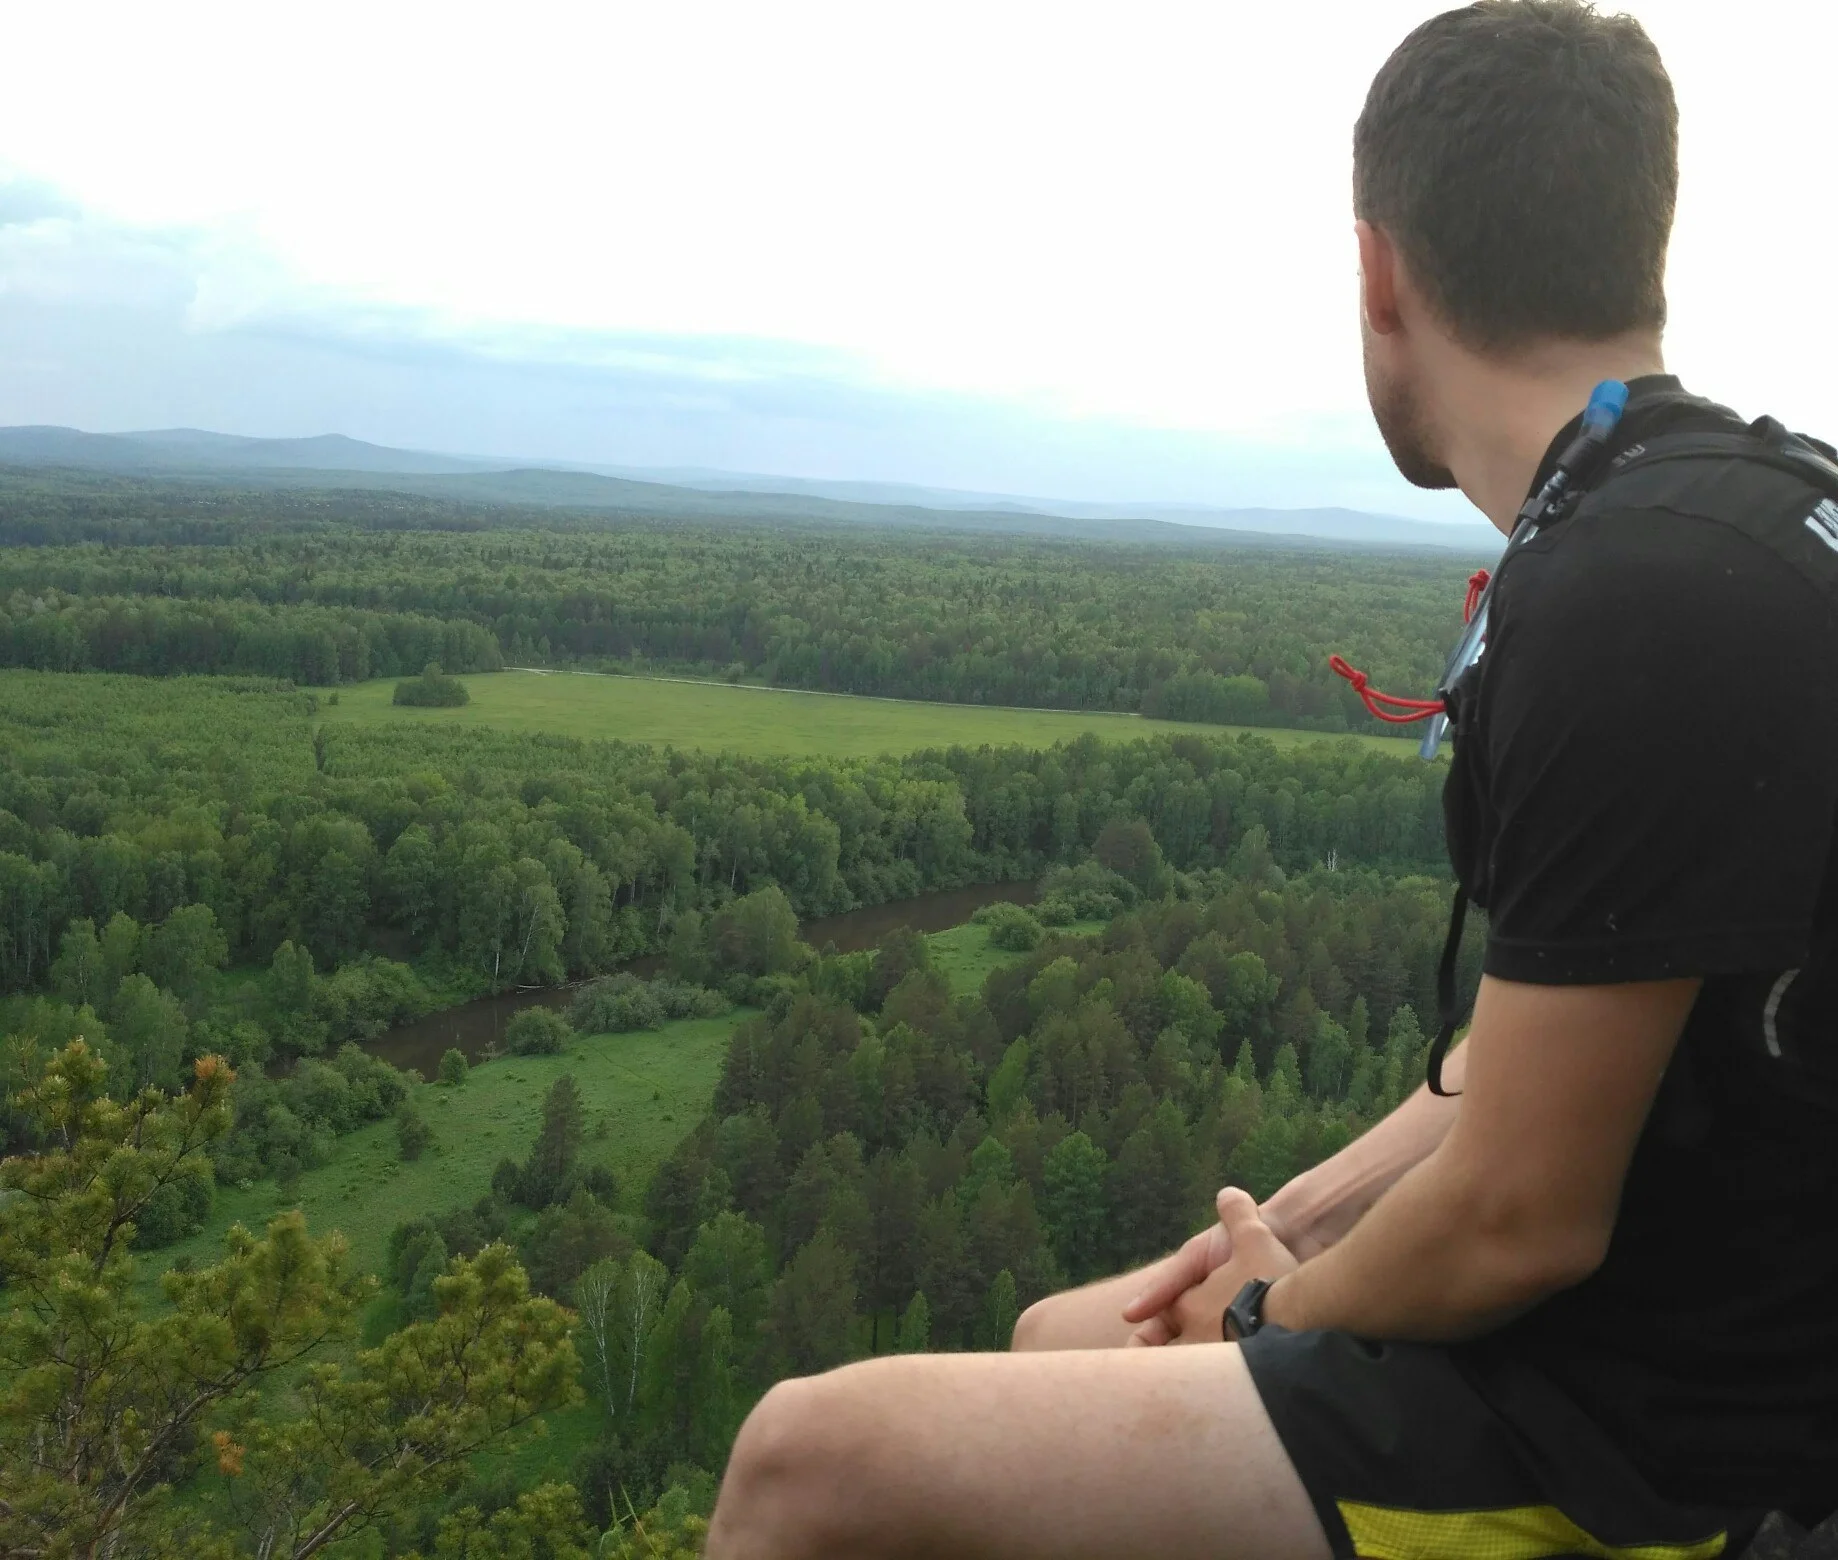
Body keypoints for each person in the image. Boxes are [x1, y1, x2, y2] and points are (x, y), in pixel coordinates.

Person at [705, 3, 1838, 1555]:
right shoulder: (1751, 520)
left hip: (1657, 1451)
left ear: (1378, 273)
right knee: (1059, 1334)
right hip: (1724, 1343)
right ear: (1639, 249)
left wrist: (1267, 1315)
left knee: (807, 1463)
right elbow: (1570, 1043)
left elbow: (1517, 1219)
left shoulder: (1628, 597)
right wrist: (1291, 1220)